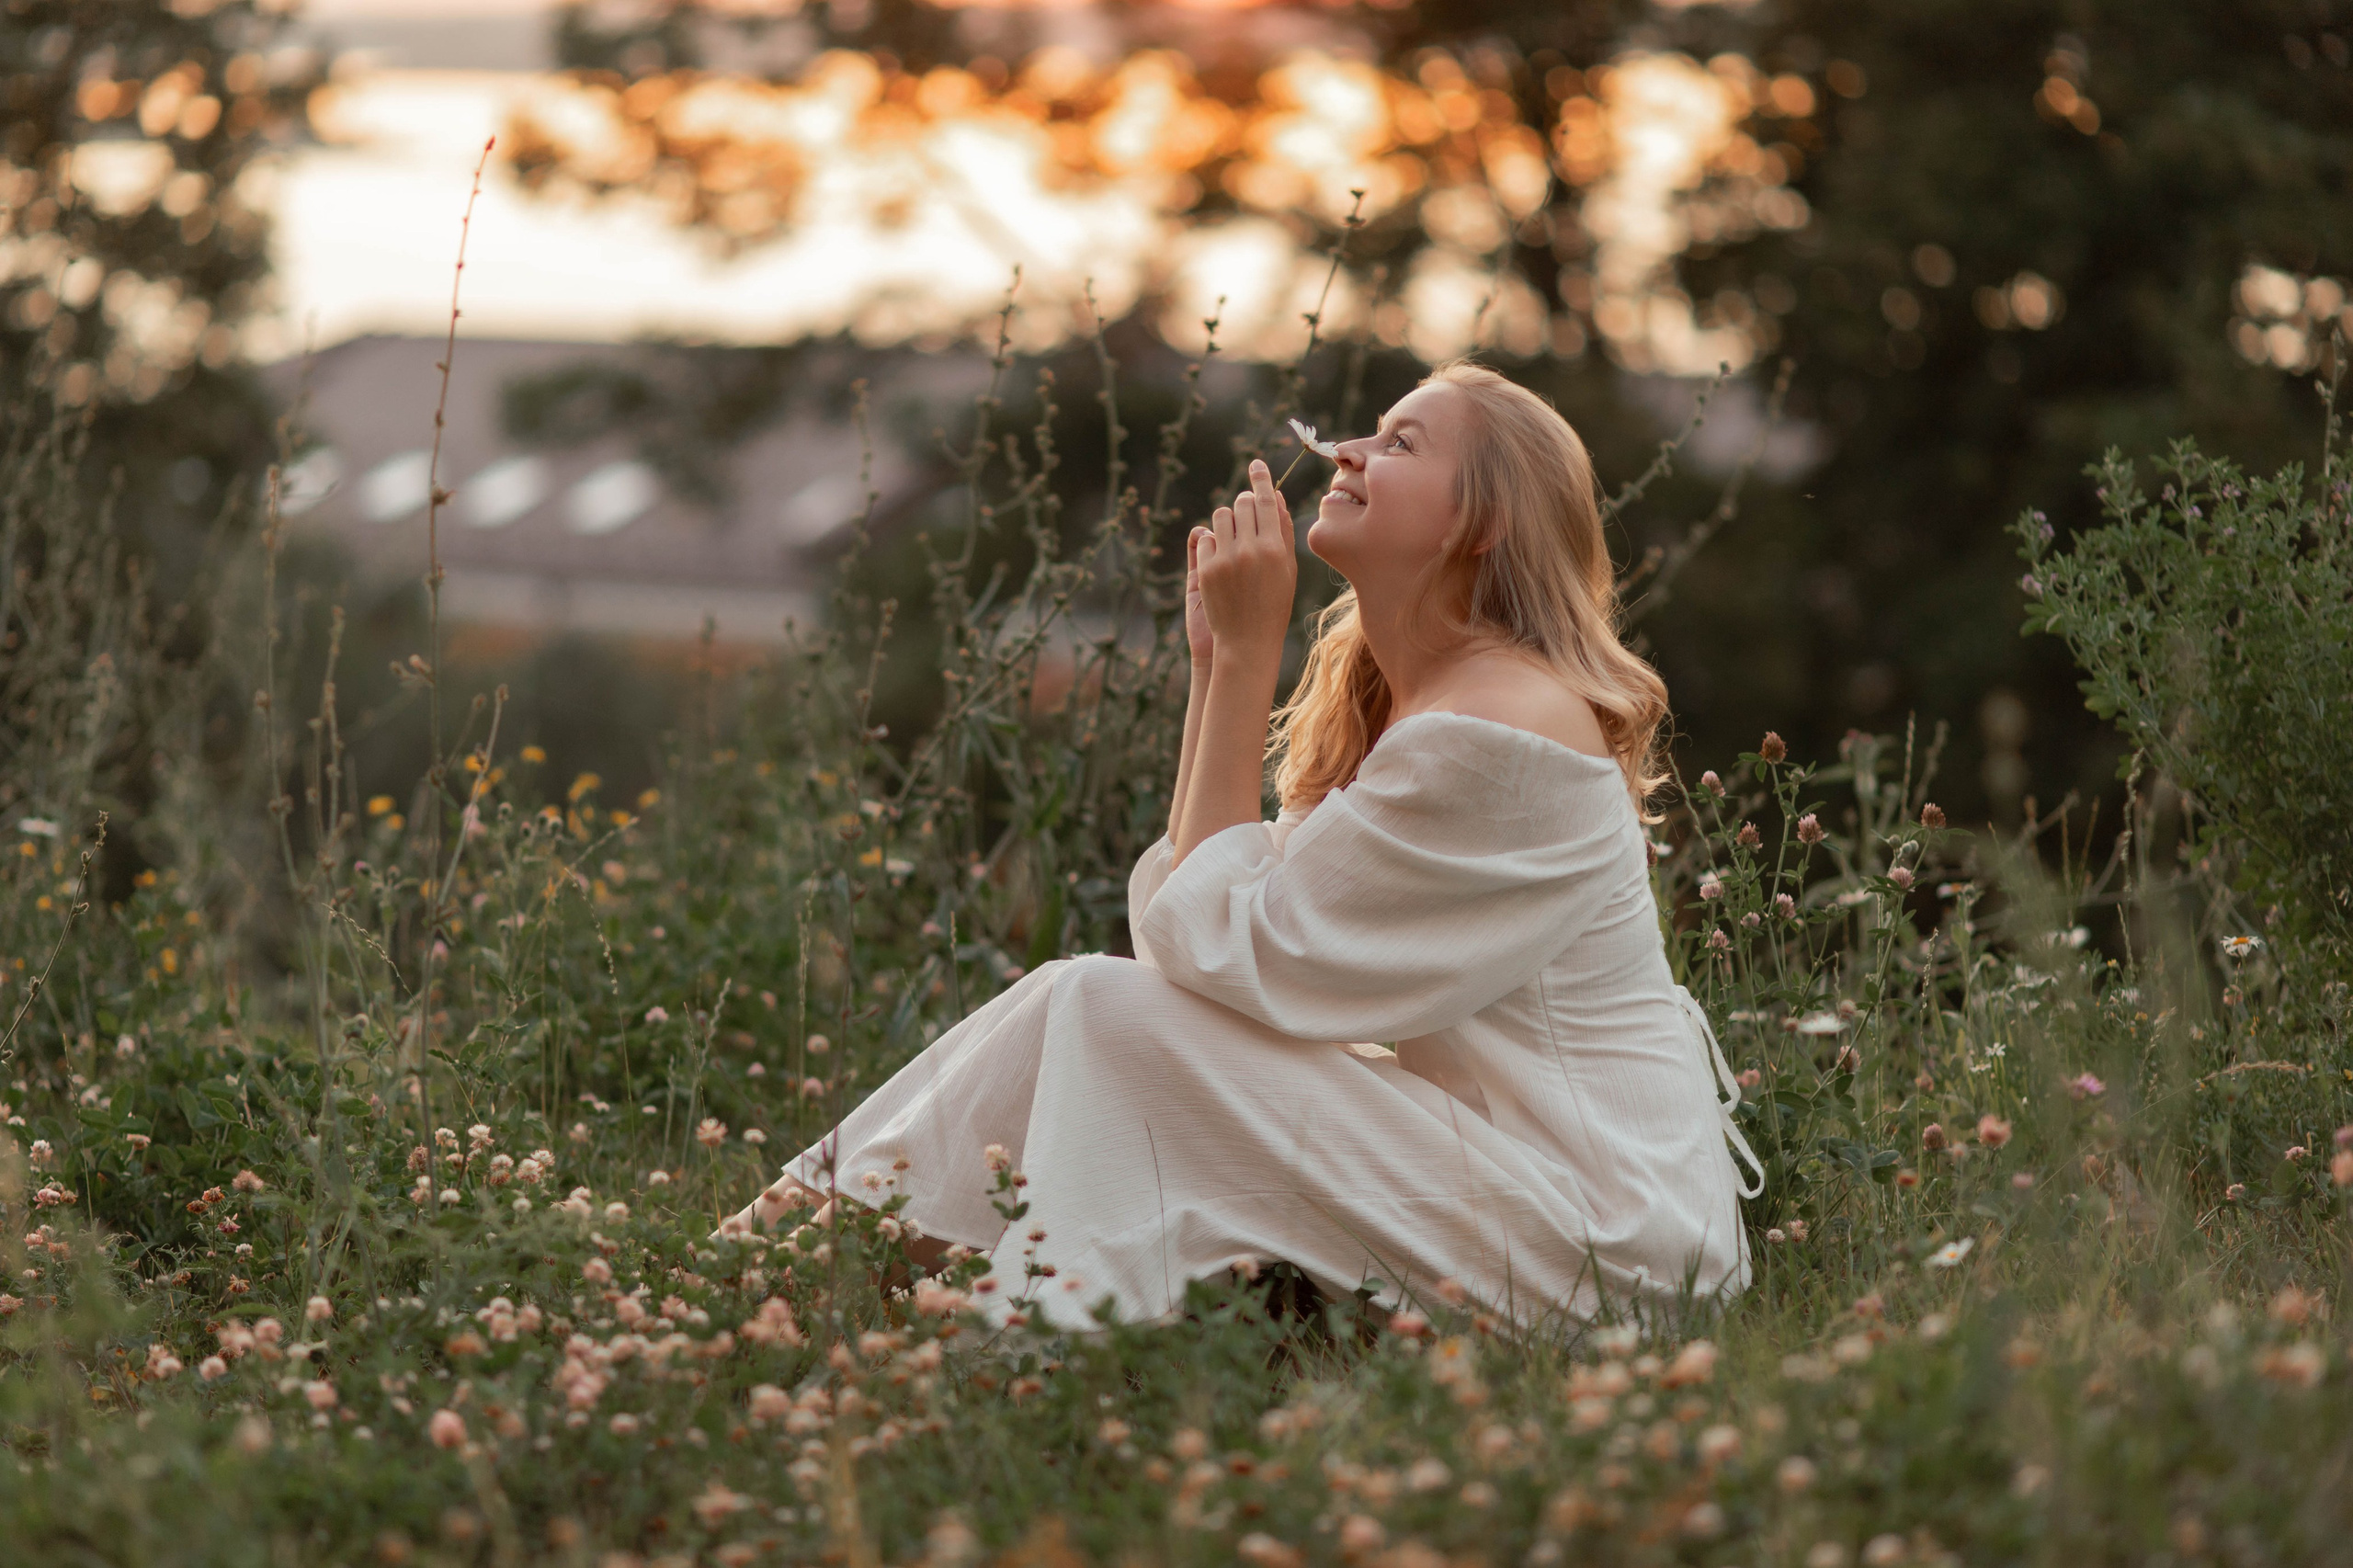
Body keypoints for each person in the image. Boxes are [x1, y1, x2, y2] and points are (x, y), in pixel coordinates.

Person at [723, 360, 1759, 1329]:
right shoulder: (1426, 707)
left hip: (1605, 1238)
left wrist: (1251, 653)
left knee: (1098, 1001)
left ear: (1479, 523)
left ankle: (821, 1296)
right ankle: (779, 1272)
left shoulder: (1499, 730)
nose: (1348, 448)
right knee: (1077, 998)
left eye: (1400, 443)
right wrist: (1219, 664)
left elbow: (1225, 953)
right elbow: (1196, 935)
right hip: (1508, 1177)